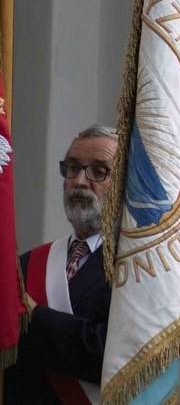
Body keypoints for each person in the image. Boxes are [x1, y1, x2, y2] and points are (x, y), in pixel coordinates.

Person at [3, 124, 118, 404]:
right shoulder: (27, 264)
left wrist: (33, 314)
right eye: (72, 168)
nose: (79, 181)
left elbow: (115, 356)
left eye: (98, 171)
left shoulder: (138, 269)